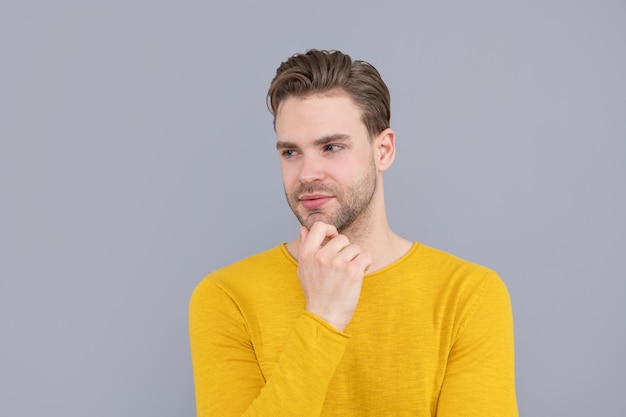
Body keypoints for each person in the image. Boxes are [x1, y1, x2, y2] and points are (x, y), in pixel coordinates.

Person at [189, 49, 518, 417]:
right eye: (291, 152)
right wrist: (323, 318)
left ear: (384, 150)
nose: (307, 173)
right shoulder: (227, 297)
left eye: (331, 147)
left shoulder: (468, 295)